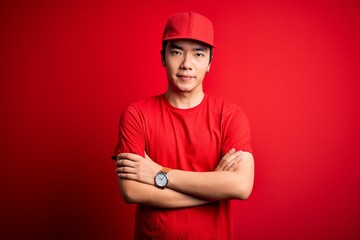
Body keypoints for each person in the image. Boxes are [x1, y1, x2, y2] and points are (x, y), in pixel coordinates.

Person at [112, 11, 254, 240]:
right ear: (162, 57)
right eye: (177, 52)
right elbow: (131, 190)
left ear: (209, 63)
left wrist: (159, 174)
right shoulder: (136, 114)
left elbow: (241, 186)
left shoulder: (231, 116)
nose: (187, 64)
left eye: (198, 54)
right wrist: (213, 190)